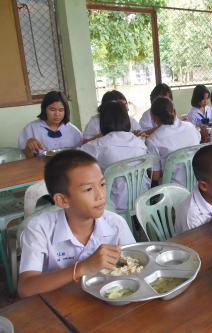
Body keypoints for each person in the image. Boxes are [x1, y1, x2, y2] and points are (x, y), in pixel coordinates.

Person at [17, 150, 135, 297]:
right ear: (62, 200)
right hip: (58, 305)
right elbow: (26, 288)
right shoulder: (39, 229)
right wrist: (82, 267)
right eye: (88, 189)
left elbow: (135, 265)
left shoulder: (116, 224)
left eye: (102, 184)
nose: (101, 195)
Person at [80, 101, 149, 213]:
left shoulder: (97, 145)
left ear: (103, 121)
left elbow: (78, 159)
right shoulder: (139, 142)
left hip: (113, 203)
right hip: (142, 198)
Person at [146, 97, 201, 185]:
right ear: (174, 112)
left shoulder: (153, 140)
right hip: (198, 184)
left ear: (154, 117)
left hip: (173, 191)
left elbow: (155, 176)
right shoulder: (190, 126)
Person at [18, 91, 82, 158]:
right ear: (44, 109)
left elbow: (81, 153)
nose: (57, 114)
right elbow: (23, 157)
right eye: (52, 110)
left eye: (61, 110)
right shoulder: (31, 129)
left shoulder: (73, 130)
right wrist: (28, 148)